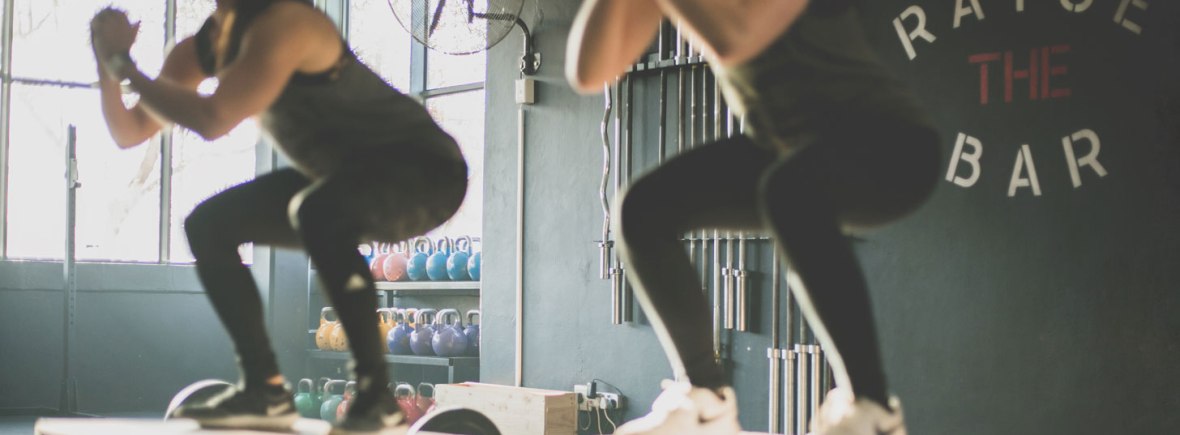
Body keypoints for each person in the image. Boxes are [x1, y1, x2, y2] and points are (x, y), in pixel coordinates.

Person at [90, 1, 467, 433]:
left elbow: (213, 119)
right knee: (210, 225)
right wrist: (107, 62)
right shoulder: (201, 49)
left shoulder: (288, 22)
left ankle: (376, 397)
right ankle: (264, 389)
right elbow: (130, 131)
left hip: (424, 170)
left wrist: (124, 65)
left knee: (315, 212)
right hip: (342, 176)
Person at [567, 0, 939, 434]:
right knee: (643, 209)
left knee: (790, 191)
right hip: (783, 150)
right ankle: (707, 402)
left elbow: (735, 36)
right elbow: (590, 72)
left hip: (892, 142)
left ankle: (873, 408)